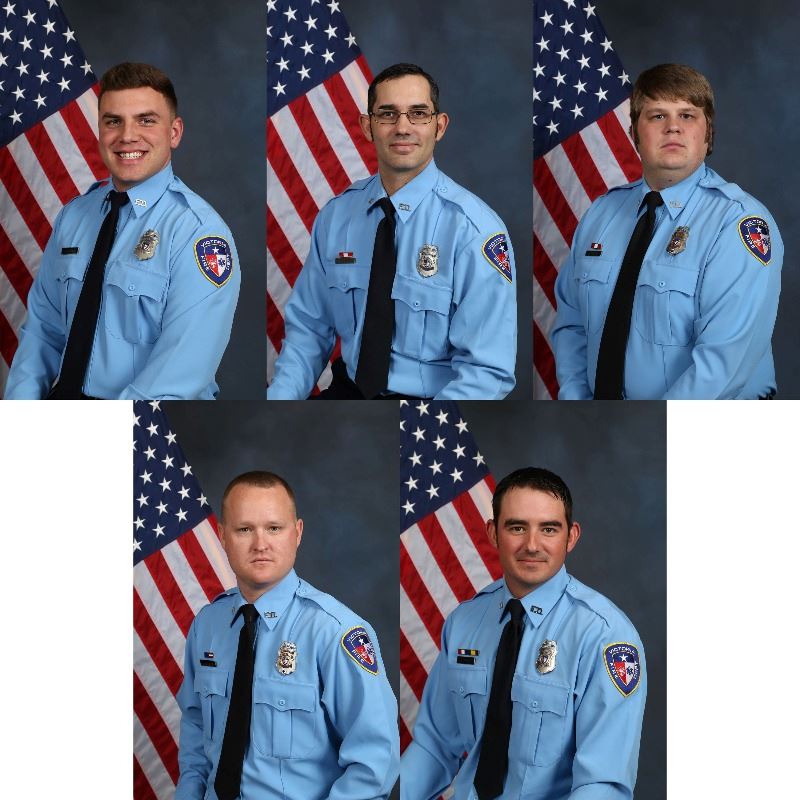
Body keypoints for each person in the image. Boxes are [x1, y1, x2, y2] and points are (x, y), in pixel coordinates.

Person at [268, 63, 516, 400]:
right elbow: (308, 332)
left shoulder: (473, 230)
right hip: (348, 392)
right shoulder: (337, 217)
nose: (403, 127)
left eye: (418, 114)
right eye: (387, 114)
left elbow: (486, 373)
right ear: (367, 126)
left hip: (433, 404)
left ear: (439, 126)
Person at [401, 467, 646, 799]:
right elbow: (434, 745)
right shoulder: (464, 622)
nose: (532, 545)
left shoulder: (604, 636)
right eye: (517, 527)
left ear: (571, 537)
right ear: (492, 533)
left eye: (549, 529)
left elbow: (602, 785)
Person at [5, 62, 239, 399]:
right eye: (113, 121)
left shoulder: (198, 234)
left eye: (146, 120)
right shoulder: (74, 216)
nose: (127, 136)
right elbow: (43, 332)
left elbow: (178, 376)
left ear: (174, 132)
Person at [551, 63, 782, 399]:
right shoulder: (601, 215)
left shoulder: (737, 223)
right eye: (657, 116)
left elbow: (722, 366)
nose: (673, 128)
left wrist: (644, 434)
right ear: (634, 132)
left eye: (687, 116)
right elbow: (572, 327)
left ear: (709, 133)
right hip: (605, 433)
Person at [176, 471, 400, 800]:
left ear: (297, 533)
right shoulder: (207, 626)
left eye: (274, 528)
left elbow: (374, 763)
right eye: (244, 529)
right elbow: (196, 739)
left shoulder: (334, 632)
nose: (260, 544)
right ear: (222, 536)